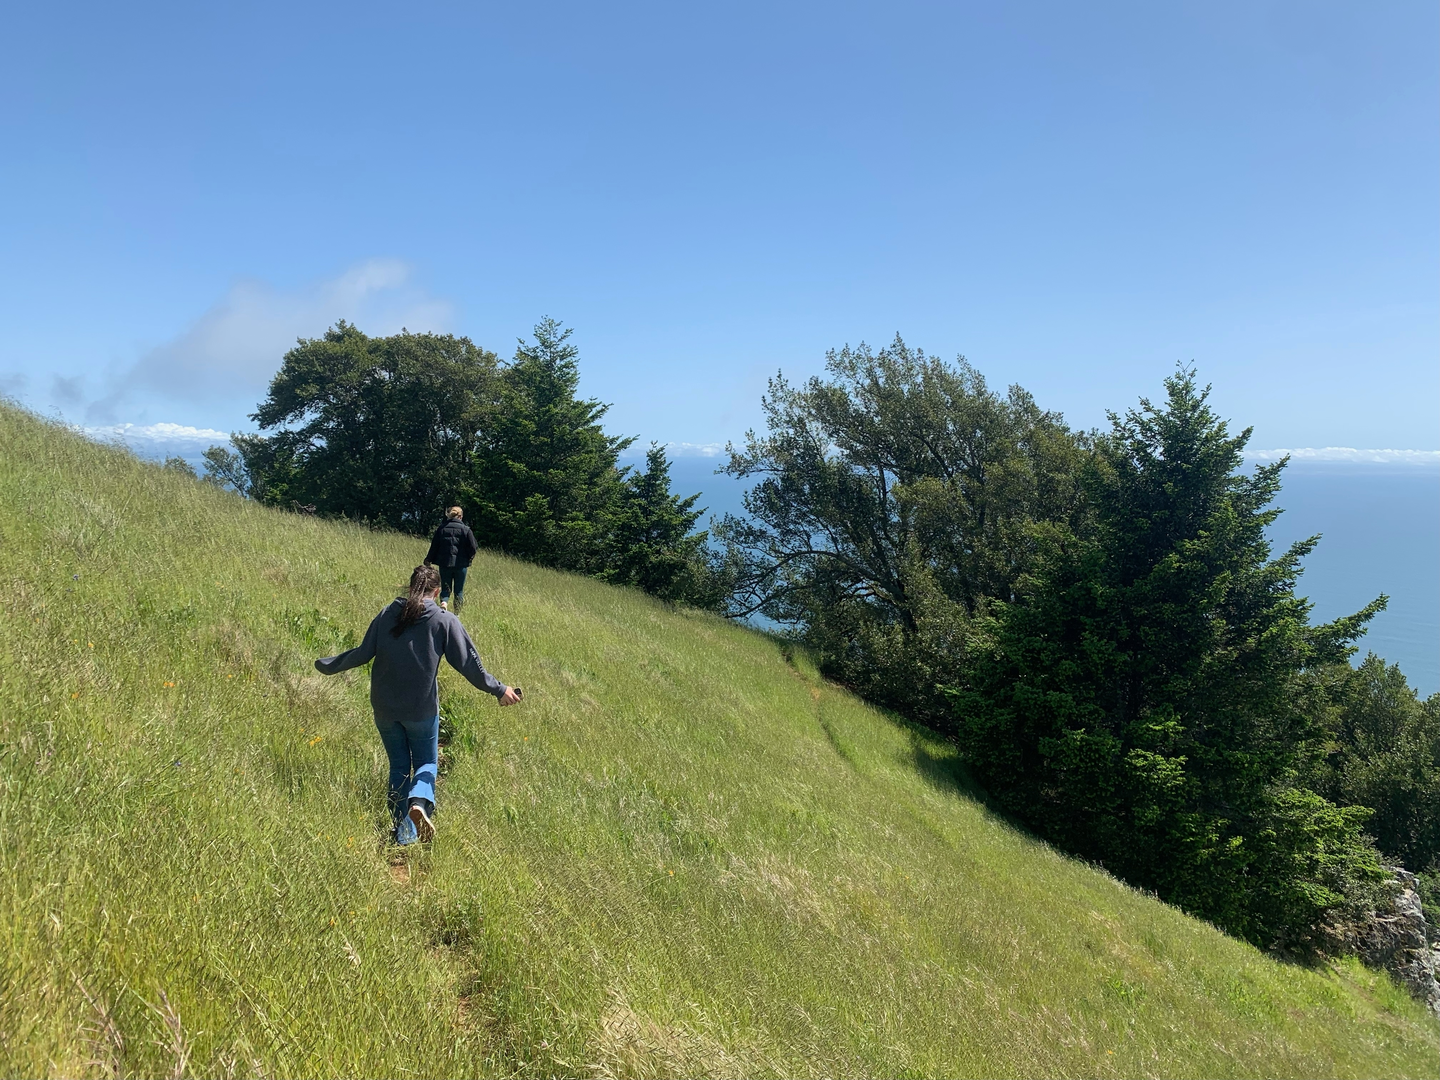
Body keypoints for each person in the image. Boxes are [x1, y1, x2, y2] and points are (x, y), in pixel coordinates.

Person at [315, 564, 521, 845]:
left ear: (411, 587)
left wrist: (328, 665)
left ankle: (403, 834)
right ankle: (420, 804)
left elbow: (362, 653)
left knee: (398, 765)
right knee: (425, 762)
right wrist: (500, 690)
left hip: (384, 708)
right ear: (437, 592)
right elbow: (469, 666)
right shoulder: (443, 620)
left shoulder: (388, 613)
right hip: (420, 710)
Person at [424, 506, 479, 610]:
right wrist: (469, 557)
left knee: (445, 589)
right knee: (459, 591)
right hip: (461, 565)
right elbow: (473, 547)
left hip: (445, 564)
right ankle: (457, 614)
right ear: (460, 516)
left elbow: (434, 546)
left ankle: (444, 603)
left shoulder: (441, 528)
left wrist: (428, 559)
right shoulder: (466, 530)